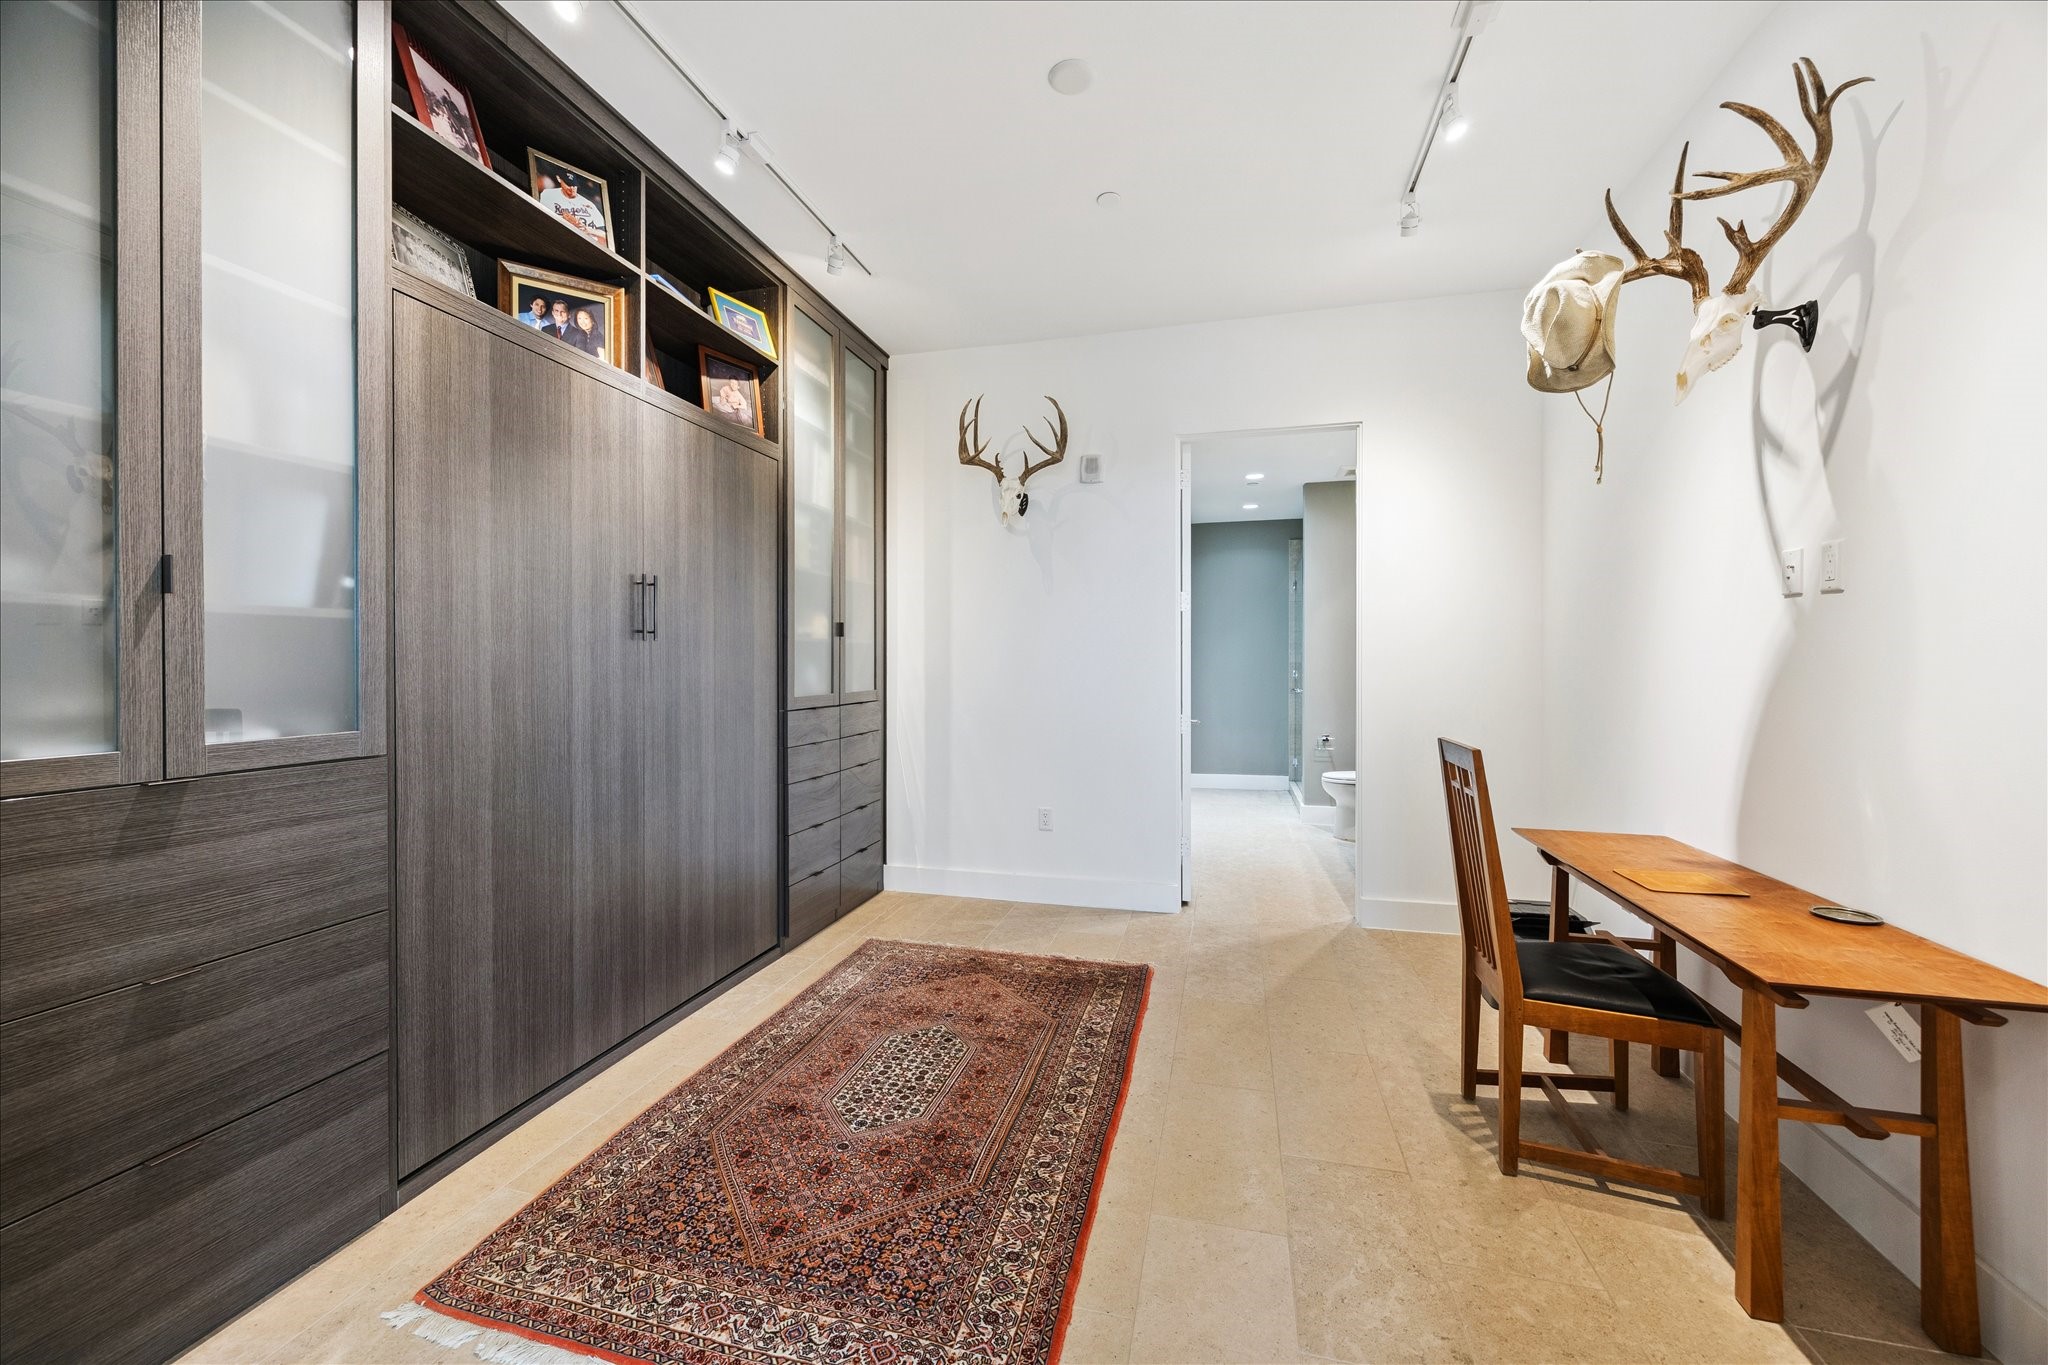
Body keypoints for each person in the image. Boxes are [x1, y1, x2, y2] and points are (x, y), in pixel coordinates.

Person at [539, 171, 606, 245]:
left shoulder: (588, 204)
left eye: (574, 185)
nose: (572, 188)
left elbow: (605, 236)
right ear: (559, 179)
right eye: (568, 184)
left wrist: (587, 229)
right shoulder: (549, 194)